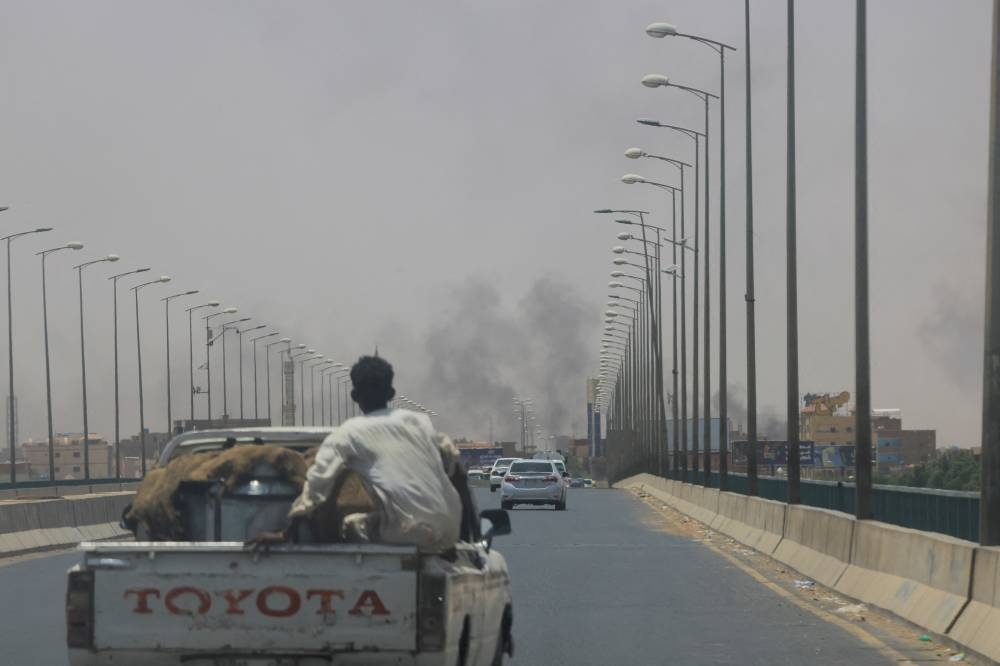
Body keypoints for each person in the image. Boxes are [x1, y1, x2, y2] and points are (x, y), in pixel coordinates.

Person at [276, 355, 464, 552]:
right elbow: (456, 464)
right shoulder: (420, 422)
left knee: (351, 525)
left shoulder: (348, 433)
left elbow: (317, 484)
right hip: (451, 530)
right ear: (391, 393)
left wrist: (285, 533)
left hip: (407, 532)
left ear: (354, 396)